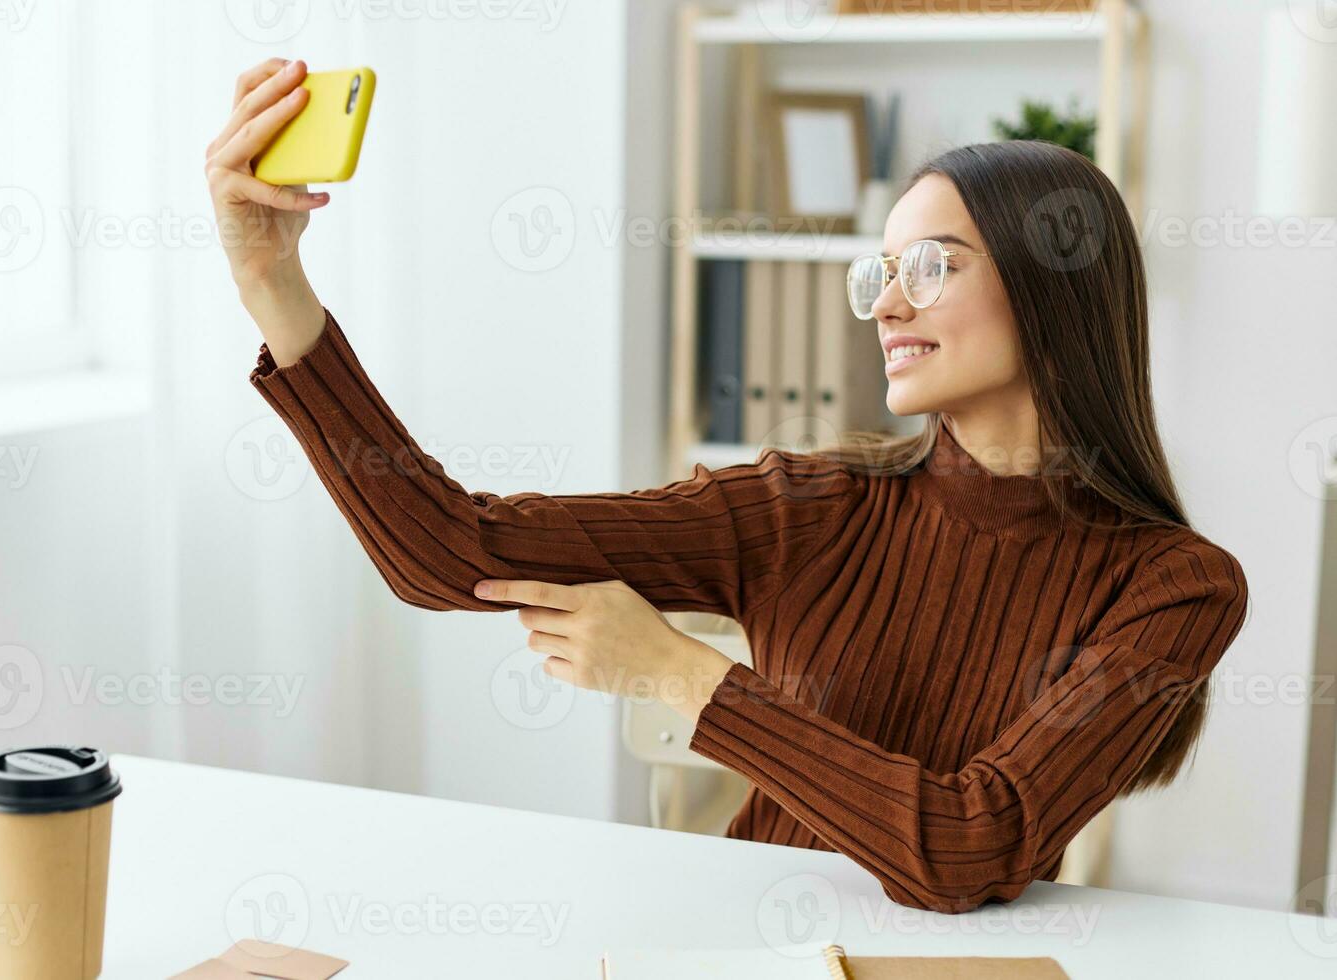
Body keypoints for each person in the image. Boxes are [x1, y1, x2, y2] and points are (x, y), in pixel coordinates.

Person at [206, 59, 1250, 915]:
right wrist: (275, 286)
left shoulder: (1176, 585)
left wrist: (680, 675)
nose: (884, 303)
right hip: (756, 941)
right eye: (876, 272)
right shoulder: (811, 504)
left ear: (1050, 287)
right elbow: (450, 551)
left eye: (930, 266)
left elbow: (972, 847)